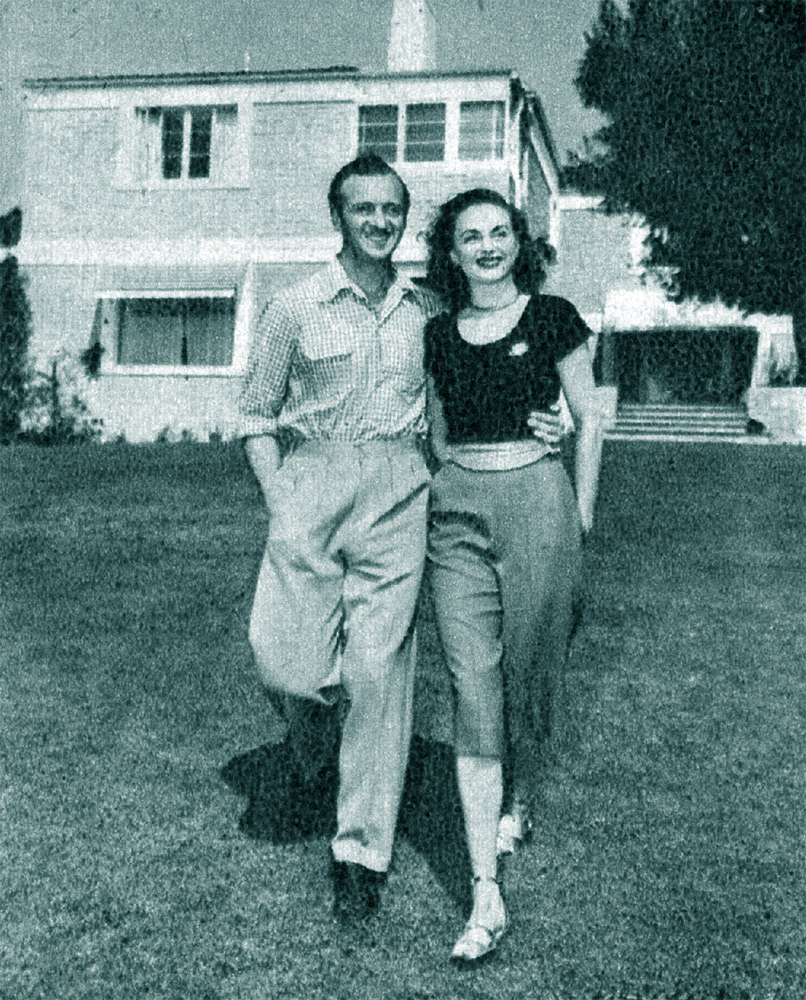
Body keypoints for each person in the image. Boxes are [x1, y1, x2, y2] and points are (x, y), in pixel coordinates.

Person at [238, 154, 563, 929]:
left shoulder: (426, 313)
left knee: (380, 674)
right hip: (310, 483)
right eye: (363, 210)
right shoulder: (295, 306)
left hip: (399, 489)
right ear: (339, 216)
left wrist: (551, 421)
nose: (378, 222)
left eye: (391, 210)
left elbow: (485, 385)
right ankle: (316, 753)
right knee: (284, 660)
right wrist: (283, 498)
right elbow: (255, 413)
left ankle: (360, 854)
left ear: (402, 219)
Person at [422, 188, 602, 961]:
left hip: (540, 500)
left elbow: (590, 415)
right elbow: (434, 431)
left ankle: (518, 796)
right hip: (458, 510)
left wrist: (580, 514)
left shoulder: (553, 315)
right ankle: (484, 895)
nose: (488, 246)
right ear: (452, 252)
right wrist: (452, 484)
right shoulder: (436, 334)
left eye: (500, 233)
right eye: (472, 236)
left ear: (517, 243)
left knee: (532, 671)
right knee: (472, 684)